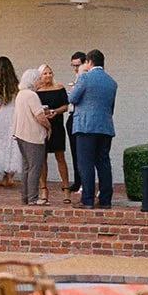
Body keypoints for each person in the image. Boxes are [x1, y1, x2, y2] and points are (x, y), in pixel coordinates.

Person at [69, 49, 118, 209]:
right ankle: (105, 199)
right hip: (105, 126)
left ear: (89, 62)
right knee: (103, 162)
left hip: (85, 125)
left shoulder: (85, 77)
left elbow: (72, 98)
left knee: (86, 163)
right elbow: (111, 107)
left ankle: (87, 199)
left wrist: (79, 78)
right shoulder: (111, 82)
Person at [13, 67, 52, 205]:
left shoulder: (21, 94)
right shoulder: (31, 95)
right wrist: (48, 126)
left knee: (26, 167)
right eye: (39, 80)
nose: (40, 82)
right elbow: (39, 116)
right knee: (35, 167)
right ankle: (33, 198)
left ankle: (25, 197)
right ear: (33, 81)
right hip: (32, 135)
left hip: (20, 134)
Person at [36, 64, 71, 202]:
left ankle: (66, 187)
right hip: (42, 126)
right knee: (42, 157)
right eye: (45, 74)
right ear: (40, 76)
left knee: (60, 156)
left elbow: (65, 106)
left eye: (50, 73)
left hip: (57, 125)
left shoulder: (59, 88)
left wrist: (55, 112)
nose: (48, 76)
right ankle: (44, 189)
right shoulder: (36, 91)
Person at [0, 56, 21, 185]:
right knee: (11, 144)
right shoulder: (15, 82)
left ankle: (3, 175)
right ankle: (9, 176)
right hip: (13, 114)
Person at [66, 50, 86, 190]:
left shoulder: (84, 78)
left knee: (81, 152)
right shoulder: (78, 78)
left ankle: (83, 181)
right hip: (72, 115)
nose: (75, 68)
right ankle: (78, 180)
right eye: (73, 65)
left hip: (80, 116)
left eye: (77, 65)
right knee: (74, 151)